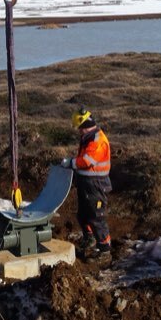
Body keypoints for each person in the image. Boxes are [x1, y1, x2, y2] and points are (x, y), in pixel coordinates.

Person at [62, 107, 112, 263]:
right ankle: (89, 240)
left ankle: (105, 251)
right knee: (83, 214)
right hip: (86, 183)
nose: (78, 131)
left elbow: (87, 161)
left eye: (79, 128)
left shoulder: (97, 140)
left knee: (96, 217)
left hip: (96, 184)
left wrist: (70, 163)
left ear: (84, 126)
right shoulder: (89, 137)